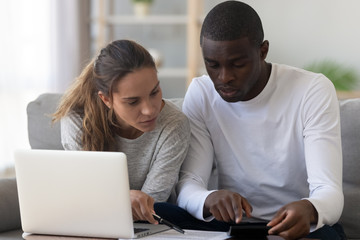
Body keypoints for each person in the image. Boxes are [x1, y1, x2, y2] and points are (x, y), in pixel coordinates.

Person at [173, 1, 345, 239]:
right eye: (213, 65)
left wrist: (309, 208)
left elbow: (329, 191)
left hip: (298, 227)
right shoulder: (202, 93)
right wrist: (208, 198)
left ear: (263, 51)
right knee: (158, 213)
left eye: (238, 64)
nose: (224, 78)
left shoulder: (312, 90)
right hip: (230, 224)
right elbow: (189, 182)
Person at [52, 39, 190, 225]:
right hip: (93, 225)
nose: (150, 110)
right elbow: (86, 197)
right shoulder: (78, 121)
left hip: (151, 227)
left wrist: (111, 200)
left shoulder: (174, 124)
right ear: (106, 99)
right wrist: (122, 200)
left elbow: (150, 205)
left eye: (154, 92)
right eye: (133, 102)